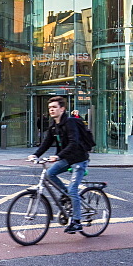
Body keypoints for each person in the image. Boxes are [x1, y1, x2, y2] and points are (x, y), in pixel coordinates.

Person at [28, 96, 90, 233]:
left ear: (62, 109)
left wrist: (58, 156)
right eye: (50, 108)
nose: (51, 110)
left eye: (54, 107)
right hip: (67, 158)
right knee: (50, 174)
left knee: (73, 189)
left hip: (79, 159)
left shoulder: (70, 123)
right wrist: (36, 155)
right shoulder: (54, 125)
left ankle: (77, 221)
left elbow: (74, 143)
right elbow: (46, 142)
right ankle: (67, 195)